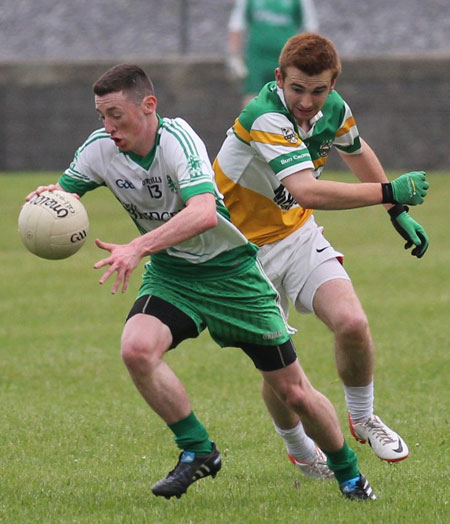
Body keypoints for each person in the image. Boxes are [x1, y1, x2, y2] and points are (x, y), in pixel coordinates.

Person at [25, 64, 380, 500]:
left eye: (116, 114)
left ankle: (348, 473)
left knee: (294, 392)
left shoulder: (178, 140)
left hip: (231, 275)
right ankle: (197, 450)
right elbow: (68, 193)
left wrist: (137, 248)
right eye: (101, 115)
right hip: (174, 275)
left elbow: (204, 213)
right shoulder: (100, 149)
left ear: (148, 106)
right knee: (137, 349)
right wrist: (52, 201)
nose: (108, 126)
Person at [214, 33, 429, 477]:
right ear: (279, 79)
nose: (308, 102)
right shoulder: (264, 117)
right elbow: (307, 190)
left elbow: (356, 148)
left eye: (319, 90)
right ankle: (300, 449)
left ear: (332, 84)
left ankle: (364, 417)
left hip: (296, 236)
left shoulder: (333, 108)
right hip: (242, 254)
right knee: (281, 369)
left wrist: (396, 212)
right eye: (297, 89)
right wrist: (389, 191)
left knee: (352, 322)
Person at [227, 0, 318, 107]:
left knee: (288, 101)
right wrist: (234, 57)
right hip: (257, 59)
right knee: (252, 101)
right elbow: (236, 25)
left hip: (287, 59)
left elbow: (310, 28)